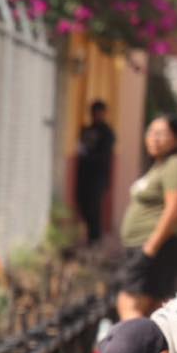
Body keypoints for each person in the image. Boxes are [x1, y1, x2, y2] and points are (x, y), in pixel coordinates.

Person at [117, 115, 177, 320]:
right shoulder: (160, 165)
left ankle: (138, 350)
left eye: (161, 134)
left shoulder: (175, 164)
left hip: (158, 247)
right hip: (150, 247)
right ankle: (152, 350)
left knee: (129, 303)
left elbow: (174, 209)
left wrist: (150, 248)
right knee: (154, 309)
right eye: (151, 132)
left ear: (176, 139)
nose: (154, 138)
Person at [74, 99, 116, 245]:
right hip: (84, 174)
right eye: (94, 113)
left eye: (99, 113)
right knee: (83, 204)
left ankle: (95, 238)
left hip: (98, 176)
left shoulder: (108, 132)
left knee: (94, 206)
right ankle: (91, 237)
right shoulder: (87, 129)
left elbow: (104, 155)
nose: (97, 115)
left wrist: (89, 155)